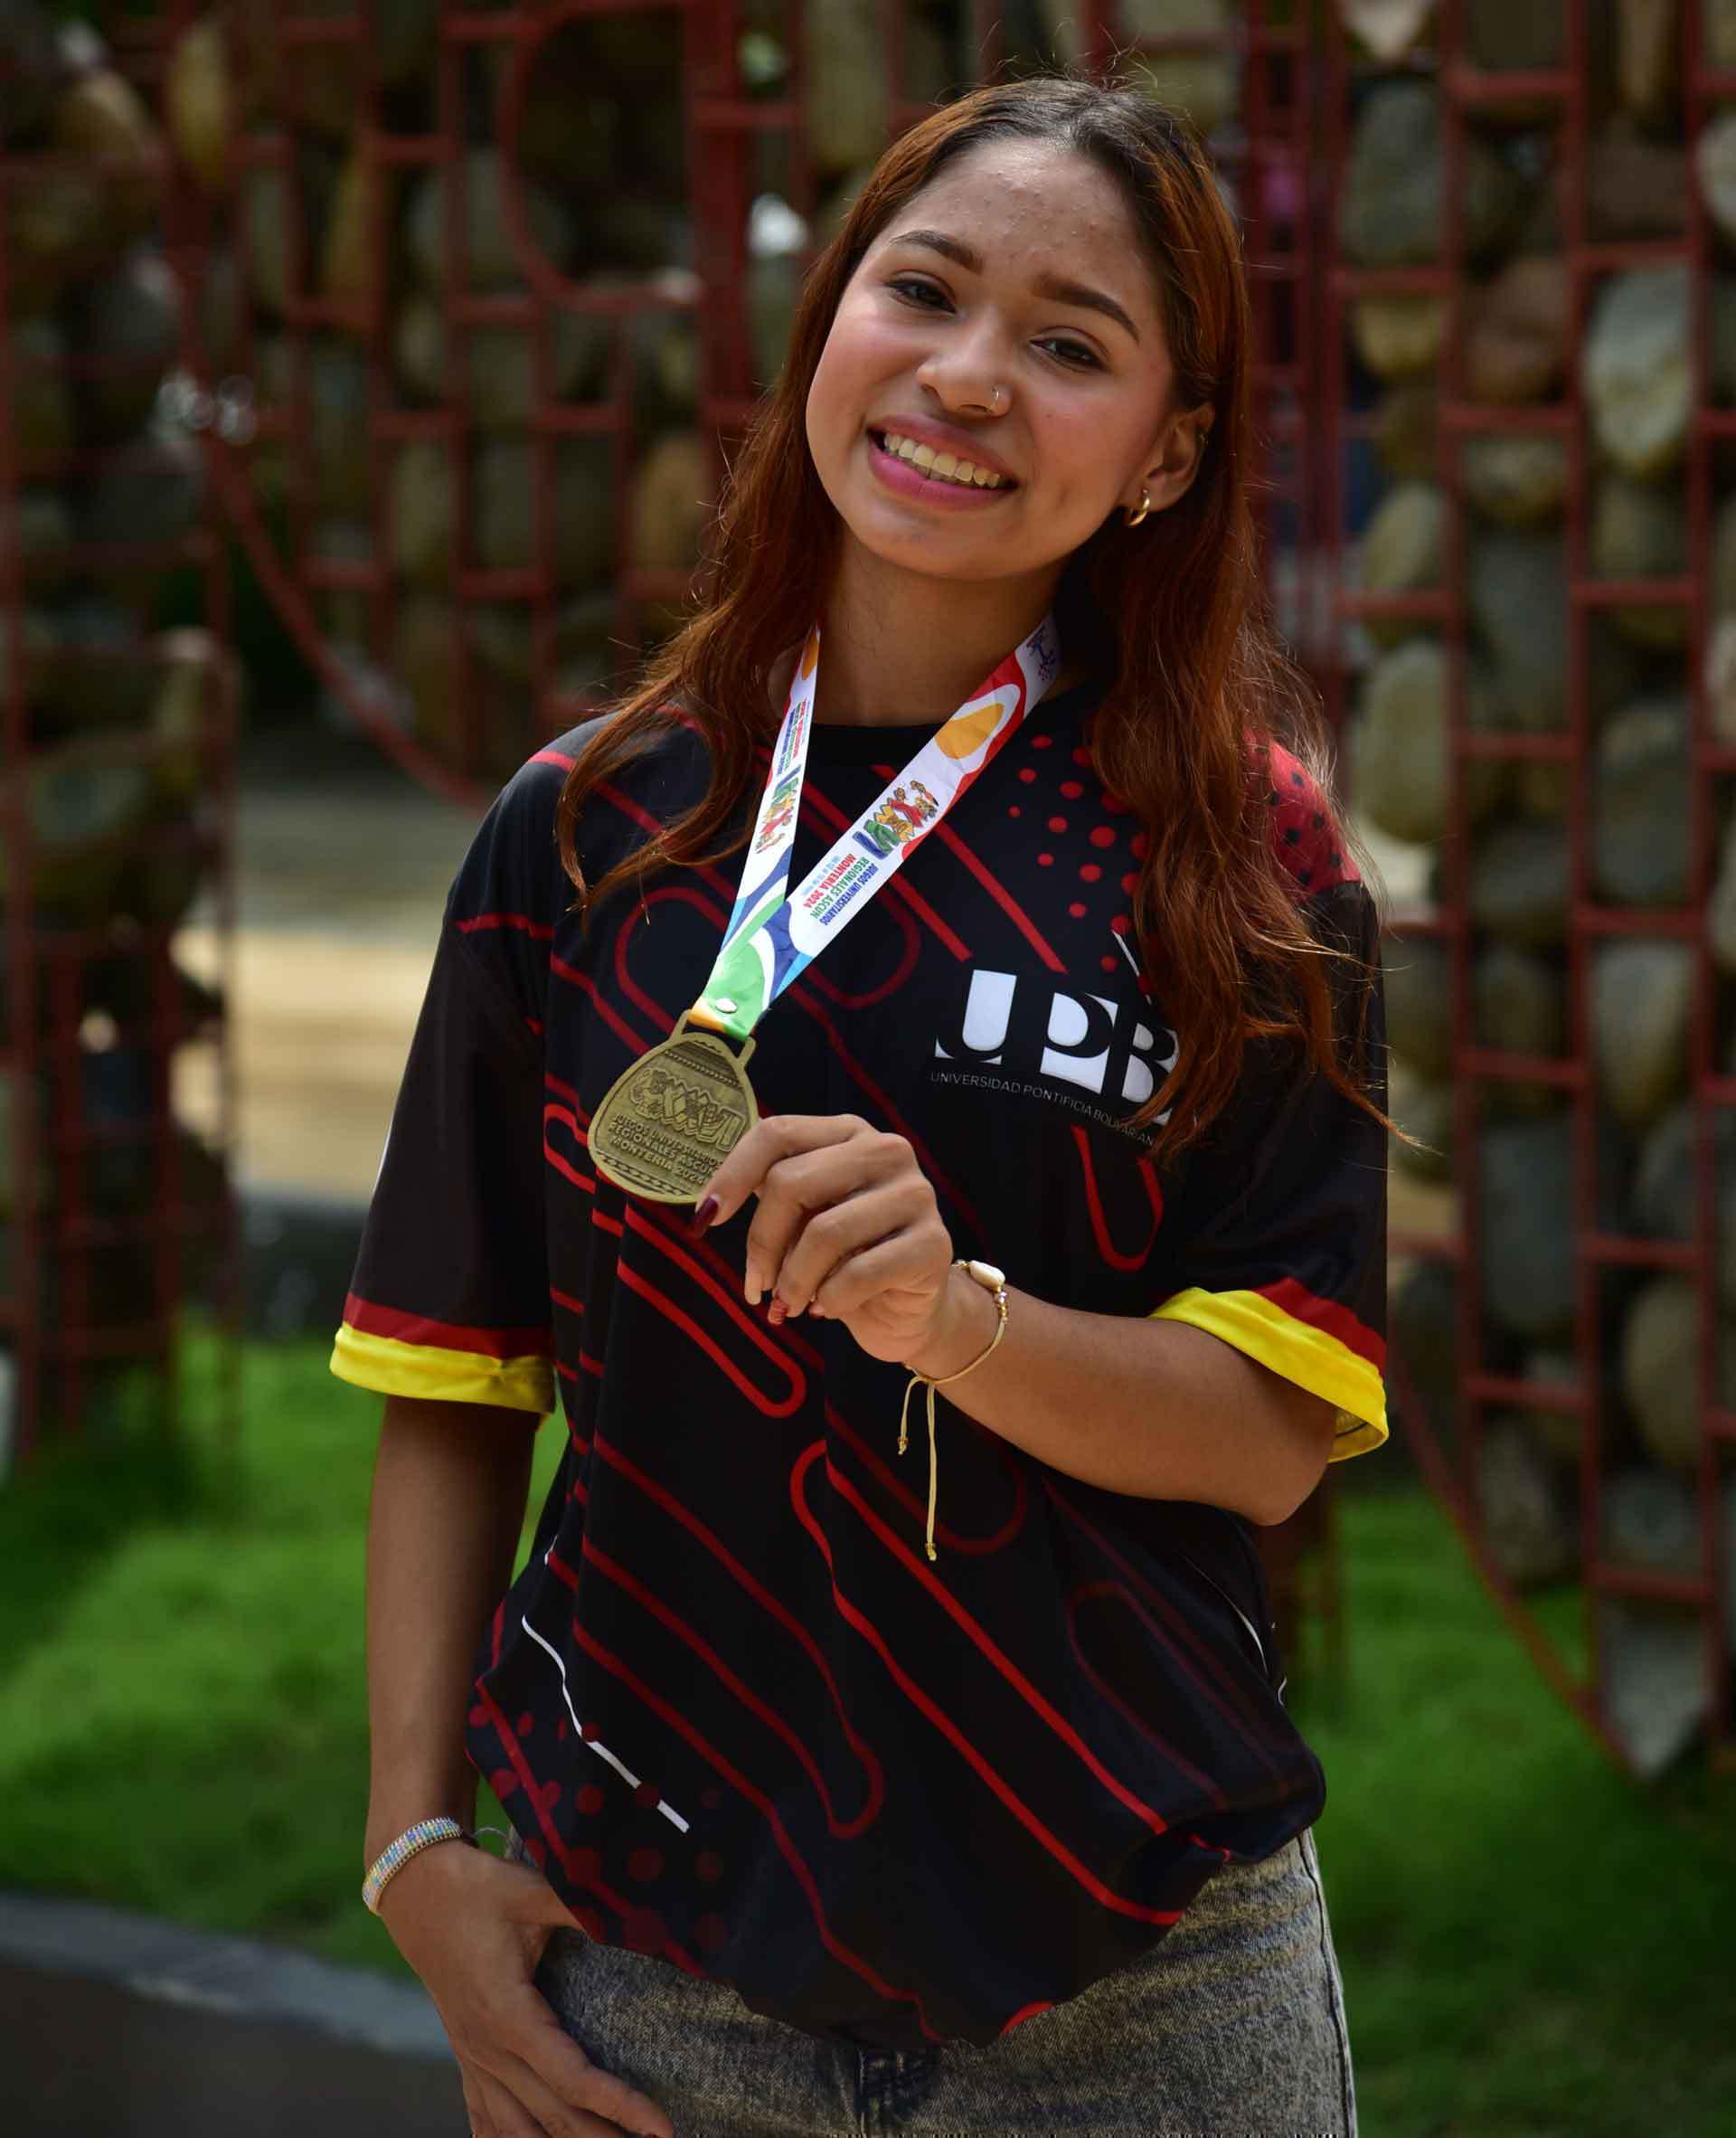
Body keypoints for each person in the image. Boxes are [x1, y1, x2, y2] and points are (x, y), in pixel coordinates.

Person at [335, 71, 1392, 2138]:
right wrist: (408, 1850)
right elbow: (455, 1378)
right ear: (831, 325)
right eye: (925, 291)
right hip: (645, 1961)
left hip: (1133, 1972)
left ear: (1169, 451)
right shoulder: (585, 832)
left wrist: (953, 1318)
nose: (972, 377)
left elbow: (1274, 1426)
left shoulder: (1246, 865)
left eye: (1072, 344)